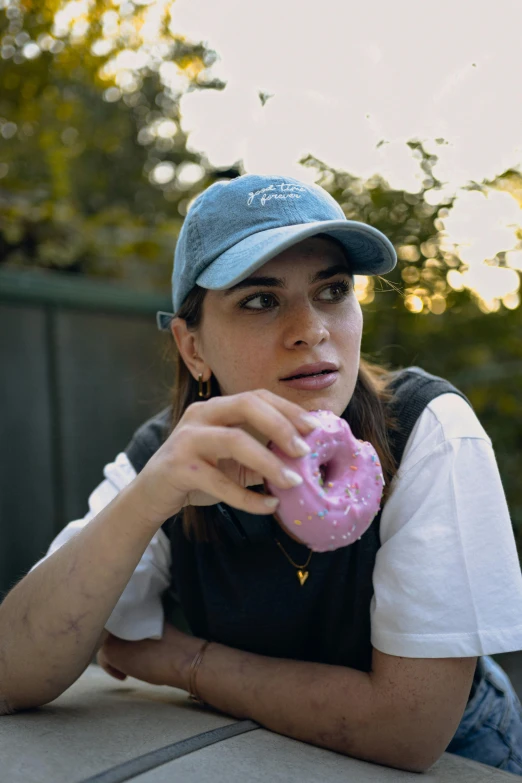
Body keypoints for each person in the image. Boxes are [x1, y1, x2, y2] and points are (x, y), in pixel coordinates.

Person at [1, 174, 522, 775]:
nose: (311, 329)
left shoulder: (428, 430)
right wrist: (149, 500)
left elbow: (408, 728)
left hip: (467, 760)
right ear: (193, 347)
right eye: (259, 299)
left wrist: (181, 662)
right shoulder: (169, 458)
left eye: (332, 290)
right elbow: (12, 673)